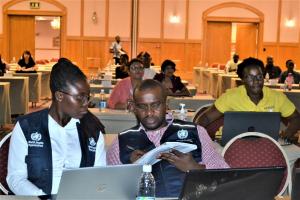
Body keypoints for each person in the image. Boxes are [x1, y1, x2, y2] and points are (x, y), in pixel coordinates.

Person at [107, 79, 229, 197]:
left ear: (166, 104)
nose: (149, 113)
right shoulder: (122, 141)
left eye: (155, 105)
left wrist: (195, 168)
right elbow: (108, 188)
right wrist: (130, 170)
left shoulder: (195, 132)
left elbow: (226, 177)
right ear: (133, 107)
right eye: (142, 107)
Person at [7, 58, 106, 195]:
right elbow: (16, 178)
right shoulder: (27, 127)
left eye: (87, 97)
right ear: (59, 96)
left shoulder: (93, 131)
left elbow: (99, 178)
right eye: (80, 97)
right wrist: (43, 198)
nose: (86, 103)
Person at [194, 57, 300, 141]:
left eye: (259, 76)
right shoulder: (231, 96)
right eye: (250, 77)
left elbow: (296, 118)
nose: (256, 81)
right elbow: (205, 118)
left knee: (292, 159)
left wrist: (287, 134)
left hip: (267, 144)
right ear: (243, 80)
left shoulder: (277, 97)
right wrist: (197, 138)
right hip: (230, 144)